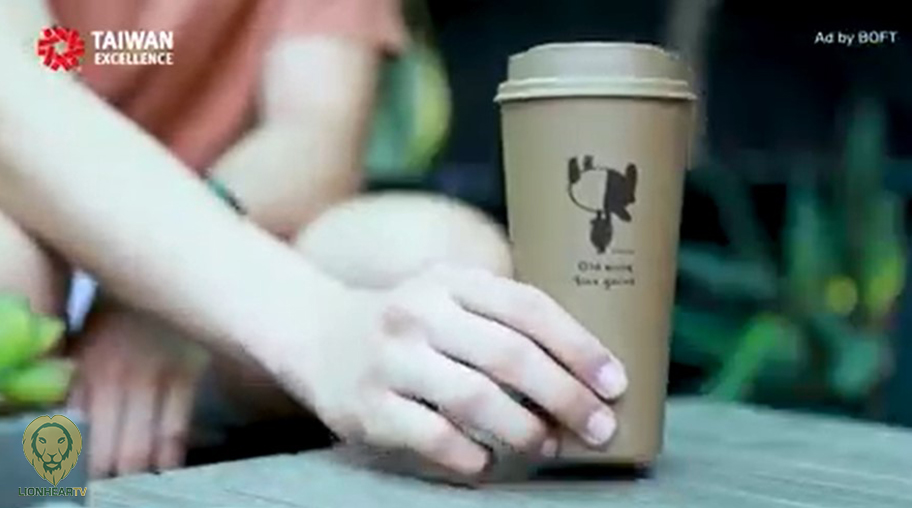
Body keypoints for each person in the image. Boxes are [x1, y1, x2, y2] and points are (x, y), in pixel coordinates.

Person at [0, 0, 628, 479]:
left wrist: (166, 301)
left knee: (449, 258)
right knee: (12, 273)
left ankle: (126, 424)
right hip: (41, 237)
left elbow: (314, 147)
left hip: (238, 246)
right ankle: (50, 452)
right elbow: (22, 113)